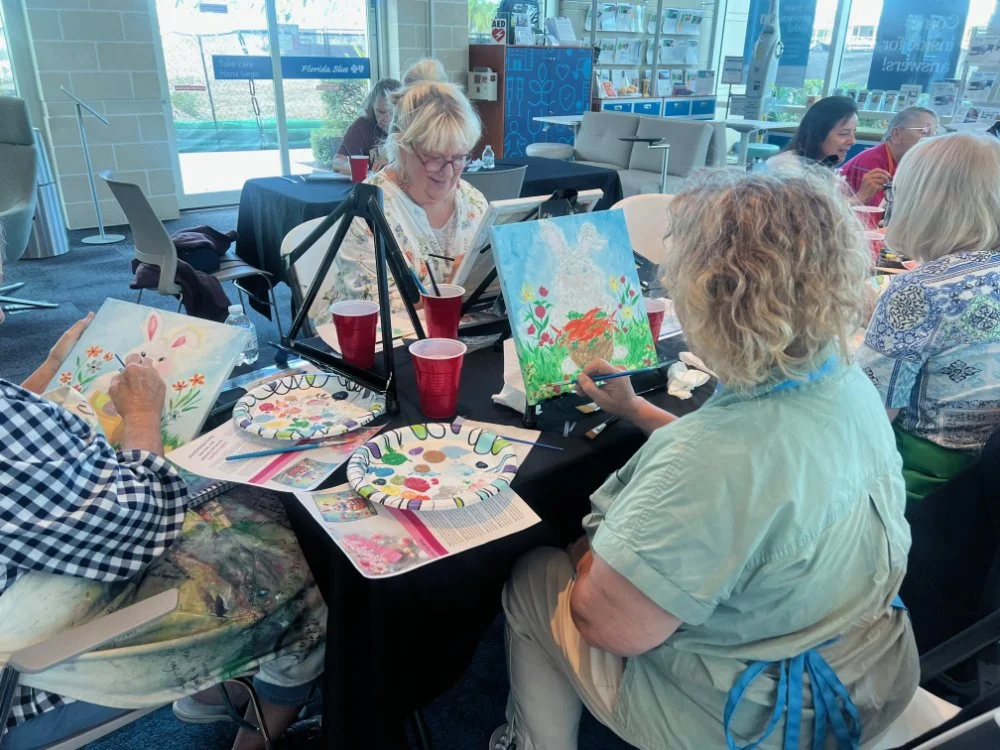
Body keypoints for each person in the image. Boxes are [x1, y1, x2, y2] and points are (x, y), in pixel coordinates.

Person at [491, 168, 918, 750]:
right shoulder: (844, 381)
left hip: (762, 720)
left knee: (533, 574)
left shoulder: (705, 464)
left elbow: (608, 627)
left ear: (709, 295)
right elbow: (758, 475)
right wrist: (639, 412)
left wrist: (590, 550)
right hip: (873, 665)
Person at [0, 244, 325, 750]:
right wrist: (143, 415)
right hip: (32, 668)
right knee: (308, 562)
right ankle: (250, 727)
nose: (1, 309)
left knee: (234, 497)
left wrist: (51, 366)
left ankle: (214, 695)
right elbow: (141, 521)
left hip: (41, 574)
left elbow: (18, 443)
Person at [858, 132, 1000, 505]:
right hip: (986, 475)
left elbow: (867, 416)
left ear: (921, 202)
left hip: (926, 483)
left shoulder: (918, 291)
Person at [307, 80, 488, 329]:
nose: (448, 173)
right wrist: (455, 285)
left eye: (459, 158)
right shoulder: (368, 211)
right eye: (434, 158)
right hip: (370, 347)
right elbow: (379, 314)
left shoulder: (473, 202)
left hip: (460, 341)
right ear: (401, 147)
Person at [840, 107, 938, 206]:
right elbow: (873, 213)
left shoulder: (908, 163)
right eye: (925, 132)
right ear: (896, 134)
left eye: (934, 134)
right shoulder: (873, 160)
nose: (931, 140)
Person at [332, 77, 401, 175]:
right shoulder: (361, 127)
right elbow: (337, 162)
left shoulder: (409, 126)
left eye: (392, 112)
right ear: (372, 107)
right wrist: (361, 170)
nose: (386, 118)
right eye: (380, 112)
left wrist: (394, 167)